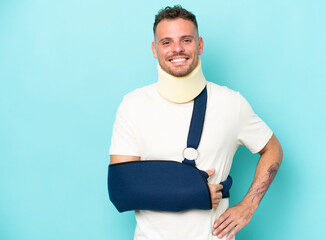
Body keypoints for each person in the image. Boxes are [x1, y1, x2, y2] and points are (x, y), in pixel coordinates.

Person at [109, 5, 283, 240]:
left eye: (186, 40)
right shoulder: (133, 105)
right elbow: (123, 188)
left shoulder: (232, 103)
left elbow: (273, 149)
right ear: (154, 49)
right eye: (166, 42)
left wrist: (248, 206)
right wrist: (192, 193)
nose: (177, 49)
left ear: (200, 45)